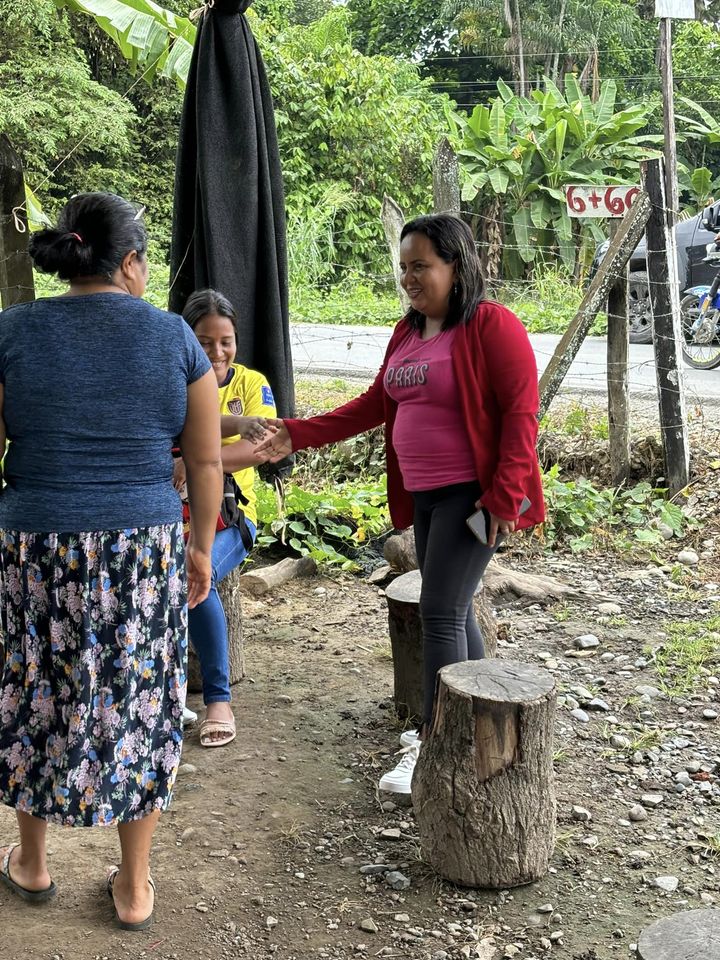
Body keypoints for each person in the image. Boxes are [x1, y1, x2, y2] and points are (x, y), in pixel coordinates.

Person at [259, 214, 544, 794]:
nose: (410, 277)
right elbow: (374, 404)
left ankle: (435, 746)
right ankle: (477, 726)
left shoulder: (492, 325)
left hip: (473, 495)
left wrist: (503, 498)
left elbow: (522, 416)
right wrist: (297, 432)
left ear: (456, 266)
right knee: (454, 610)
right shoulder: (407, 332)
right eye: (404, 267)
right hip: (425, 496)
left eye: (422, 266)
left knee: (439, 610)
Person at [0, 193, 223, 930]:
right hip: (141, 548)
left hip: (36, 544)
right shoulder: (174, 337)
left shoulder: (13, 330)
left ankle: (33, 864)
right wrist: (199, 547)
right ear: (129, 261)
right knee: (140, 697)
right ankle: (132, 884)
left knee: (34, 689)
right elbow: (205, 460)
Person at [176, 290, 277, 748]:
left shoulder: (252, 384)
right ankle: (168, 693)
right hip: (174, 513)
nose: (217, 352)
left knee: (196, 575)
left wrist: (193, 460)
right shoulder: (174, 379)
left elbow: (258, 448)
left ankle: (218, 700)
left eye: (226, 341)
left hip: (233, 518)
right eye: (204, 342)